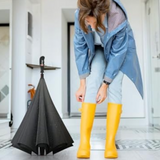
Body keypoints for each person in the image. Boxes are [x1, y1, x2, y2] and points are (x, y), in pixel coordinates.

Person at [73, 0, 143, 159]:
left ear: (102, 15)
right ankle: (84, 142)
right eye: (87, 23)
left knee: (115, 87)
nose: (90, 27)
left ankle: (110, 143)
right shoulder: (80, 15)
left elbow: (118, 54)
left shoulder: (118, 18)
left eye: (92, 23)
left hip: (119, 52)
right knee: (91, 83)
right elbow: (79, 47)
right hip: (98, 49)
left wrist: (105, 85)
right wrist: (81, 83)